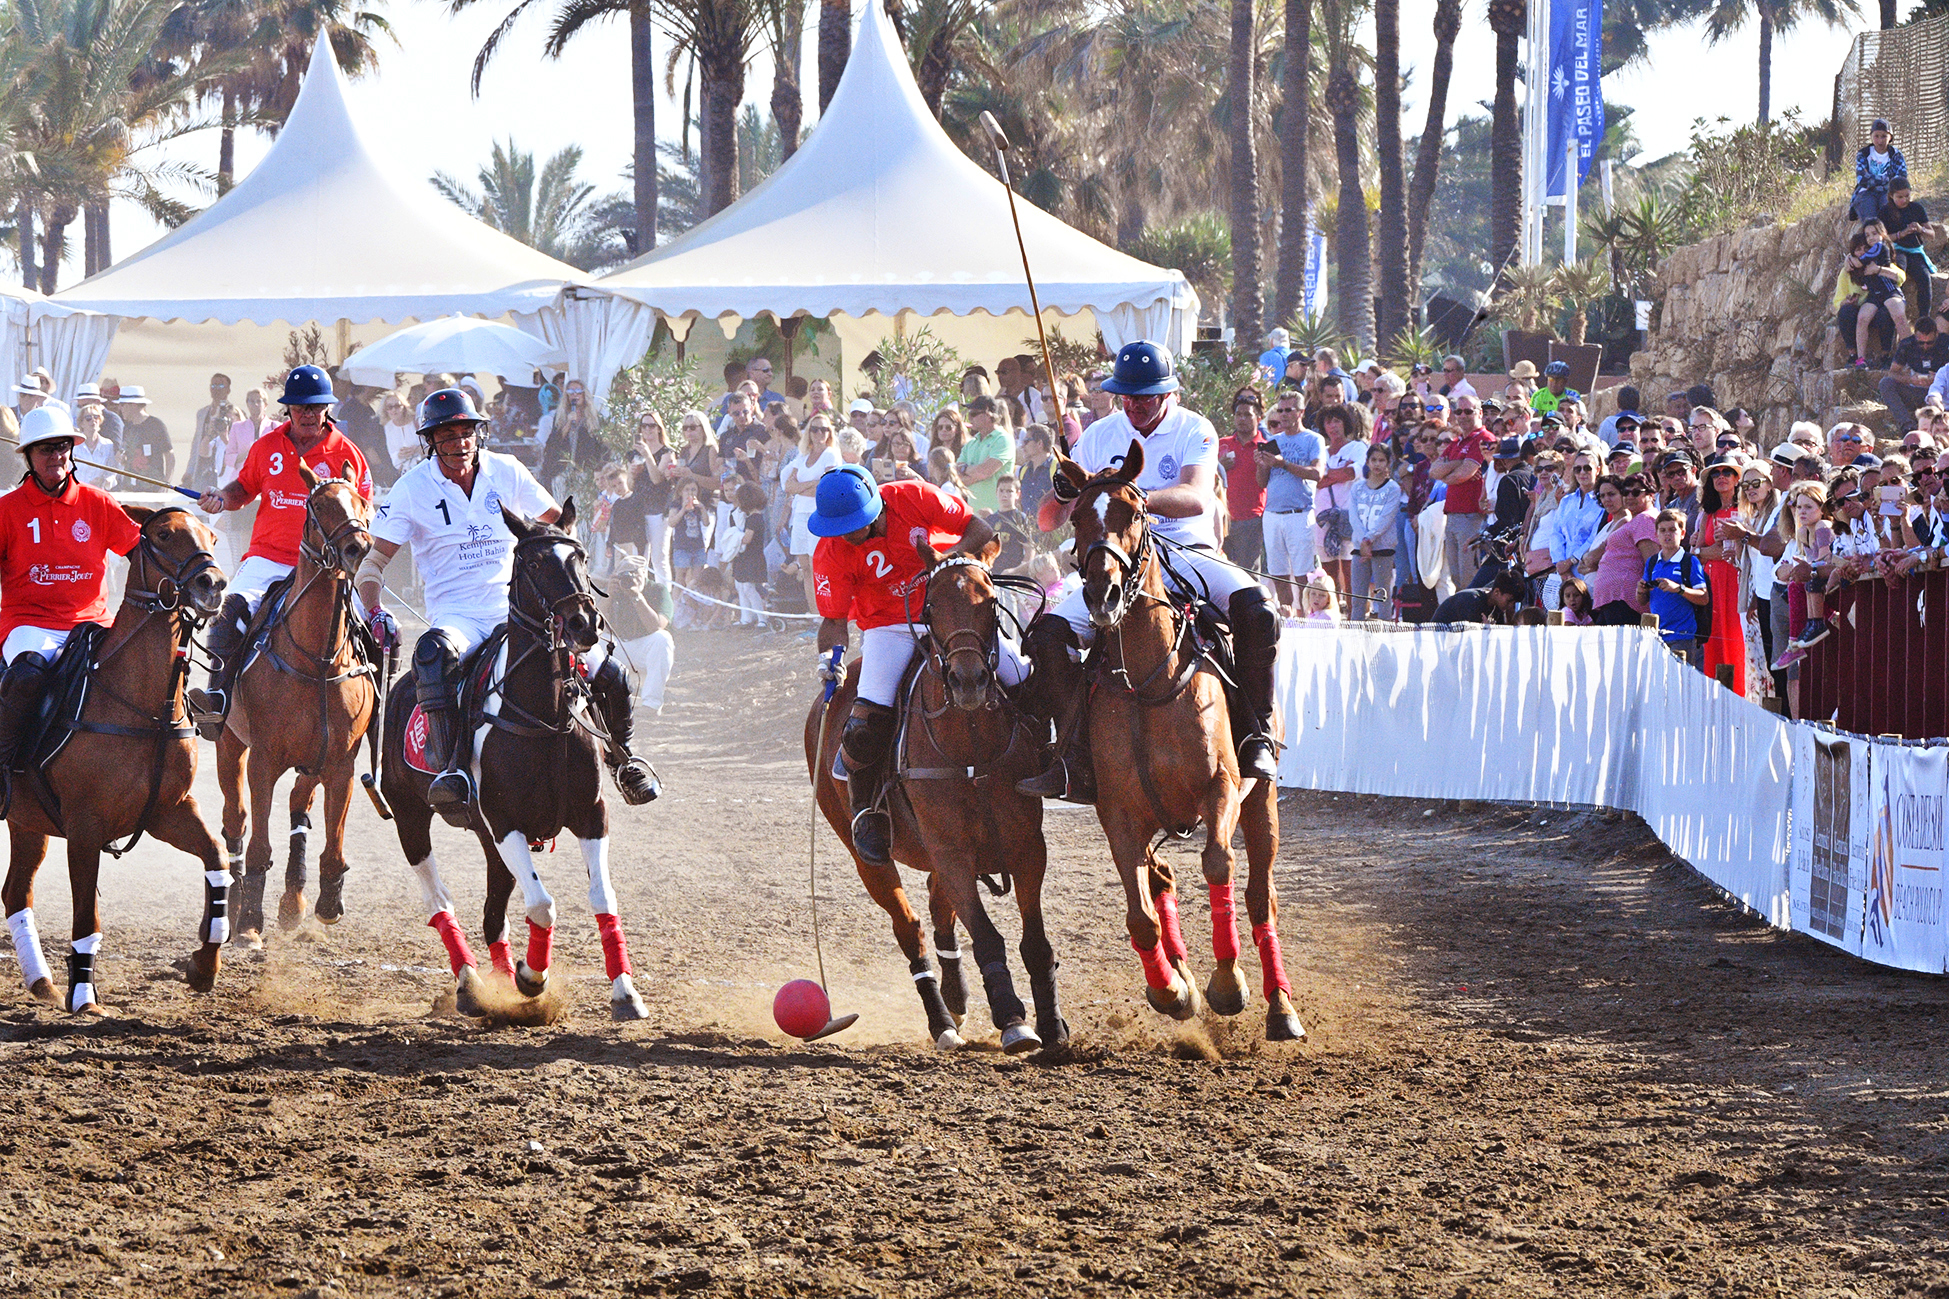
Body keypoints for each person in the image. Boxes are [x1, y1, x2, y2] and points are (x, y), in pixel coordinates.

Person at [357, 388, 656, 808]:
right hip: (459, 615)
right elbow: (371, 564)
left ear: (478, 434)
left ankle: (624, 761)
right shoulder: (411, 489)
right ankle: (454, 771)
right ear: (430, 441)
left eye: (467, 432)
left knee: (612, 673)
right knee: (432, 657)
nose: (460, 443)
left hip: (522, 611)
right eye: (447, 436)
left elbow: (558, 526)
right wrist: (374, 611)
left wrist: (564, 580)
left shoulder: (507, 470)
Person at [1018, 341, 1282, 800]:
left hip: (1187, 552)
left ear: (1167, 394)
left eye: (1146, 397)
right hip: (1116, 561)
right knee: (1046, 637)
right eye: (1128, 397)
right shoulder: (1097, 435)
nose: (1135, 406)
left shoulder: (1194, 427)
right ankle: (1072, 754)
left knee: (1258, 610)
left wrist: (1131, 500)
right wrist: (1060, 493)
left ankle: (1256, 734)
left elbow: (1196, 496)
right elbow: (1047, 521)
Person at [810, 465, 1013, 864]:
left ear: (874, 508)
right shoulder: (831, 550)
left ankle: (1054, 761)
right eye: (838, 528)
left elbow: (981, 530)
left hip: (954, 611)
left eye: (853, 525)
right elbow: (833, 621)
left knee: (1019, 673)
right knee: (866, 721)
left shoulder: (915, 498)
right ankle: (867, 812)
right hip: (889, 628)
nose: (846, 535)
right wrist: (830, 659)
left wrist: (948, 561)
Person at [188, 364, 375, 730]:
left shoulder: (347, 453)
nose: (308, 414)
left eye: (315, 407)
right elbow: (244, 488)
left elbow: (364, 508)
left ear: (327, 408)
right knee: (231, 610)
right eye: (300, 407)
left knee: (367, 625)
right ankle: (217, 696)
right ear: (288, 408)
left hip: (326, 564)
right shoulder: (266, 446)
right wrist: (222, 497)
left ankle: (373, 711)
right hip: (268, 556)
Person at [0, 406, 144, 783]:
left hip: (92, 623)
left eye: (62, 446)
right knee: (27, 677)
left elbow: (140, 554)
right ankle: (4, 768)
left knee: (141, 670)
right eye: (45, 448)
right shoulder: (7, 510)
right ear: (28, 456)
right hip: (31, 624)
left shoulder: (98, 503)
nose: (56, 456)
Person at [1256, 400, 1325, 615]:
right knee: (1278, 574)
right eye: (1280, 410)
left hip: (1299, 513)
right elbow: (1262, 482)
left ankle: (1307, 618)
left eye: (1288, 410)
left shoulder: (1313, 439)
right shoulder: (1273, 440)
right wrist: (1262, 464)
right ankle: (1288, 618)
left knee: (1304, 575)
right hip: (1273, 513)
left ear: (1301, 412)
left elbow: (1317, 473)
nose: (1283, 415)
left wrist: (1283, 463)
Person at [1695, 455, 1747, 694]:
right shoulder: (1708, 513)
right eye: (1716, 474)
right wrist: (1709, 550)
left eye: (1727, 472)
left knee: (1736, 639)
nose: (1721, 477)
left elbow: (1739, 549)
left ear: (1737, 479)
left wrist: (1709, 551)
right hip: (1712, 583)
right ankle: (1713, 695)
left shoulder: (1745, 510)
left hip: (1737, 581)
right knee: (1714, 639)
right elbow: (1696, 552)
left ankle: (1739, 695)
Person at [1430, 395, 1492, 594]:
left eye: (1468, 411)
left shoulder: (1484, 439)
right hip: (1453, 516)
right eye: (1458, 411)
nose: (1463, 415)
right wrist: (1458, 463)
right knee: (1456, 578)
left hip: (1472, 516)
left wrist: (1450, 471)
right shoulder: (1456, 442)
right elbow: (1434, 471)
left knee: (1470, 578)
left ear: (1479, 413)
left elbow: (1462, 475)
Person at [1314, 403, 1370, 613]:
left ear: (1346, 423)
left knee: (1350, 570)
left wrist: (1327, 474)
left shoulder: (1358, 447)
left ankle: (1356, 615)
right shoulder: (1320, 451)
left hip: (1349, 517)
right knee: (1328, 572)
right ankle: (1332, 614)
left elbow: (1351, 473)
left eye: (1337, 420)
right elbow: (1315, 479)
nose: (1333, 426)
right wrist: (1337, 474)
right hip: (1322, 518)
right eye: (1328, 422)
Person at [1637, 509, 1710, 669]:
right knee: (1656, 680)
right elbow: (1642, 601)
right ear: (1656, 535)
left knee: (1680, 681)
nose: (1667, 535)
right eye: (1662, 530)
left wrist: (1678, 589)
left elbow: (1704, 597)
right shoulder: (1652, 562)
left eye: (1672, 530)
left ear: (1682, 534)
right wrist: (1641, 591)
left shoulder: (1689, 561)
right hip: (1655, 635)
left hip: (1682, 635)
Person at [605, 556, 676, 714]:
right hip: (619, 646)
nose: (628, 580)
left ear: (644, 573)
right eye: (624, 576)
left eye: (633, 574)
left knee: (663, 638)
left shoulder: (658, 590)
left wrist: (636, 596)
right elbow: (597, 624)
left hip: (646, 648)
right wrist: (608, 596)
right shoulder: (615, 590)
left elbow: (657, 626)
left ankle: (651, 704)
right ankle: (601, 701)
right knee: (594, 643)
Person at [1585, 473, 1659, 624]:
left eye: (1636, 492)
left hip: (1625, 599)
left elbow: (1652, 562)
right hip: (1615, 598)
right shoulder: (1635, 519)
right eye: (1626, 492)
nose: (1629, 496)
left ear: (1651, 495)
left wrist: (1646, 593)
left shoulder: (1645, 519)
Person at [1349, 442, 1403, 619]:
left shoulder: (1392, 488)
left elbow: (1386, 517)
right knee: (1358, 597)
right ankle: (1355, 630)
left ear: (1388, 462)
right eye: (1373, 460)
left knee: (1382, 594)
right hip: (1360, 548)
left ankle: (1384, 630)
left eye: (1381, 460)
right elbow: (1353, 516)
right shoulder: (1357, 487)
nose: (1377, 464)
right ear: (1367, 461)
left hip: (1382, 548)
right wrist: (1363, 541)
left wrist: (1369, 539)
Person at [1847, 218, 1909, 367]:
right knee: (1862, 318)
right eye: (1867, 235)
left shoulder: (1879, 247)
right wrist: (1848, 259)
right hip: (1875, 294)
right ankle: (1861, 360)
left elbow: (1858, 263)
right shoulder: (1870, 250)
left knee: (1899, 317)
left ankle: (1911, 355)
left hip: (1889, 290)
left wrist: (1849, 258)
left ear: (1882, 233)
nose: (1871, 238)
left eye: (1874, 233)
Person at [1218, 393, 1267, 570]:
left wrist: (1262, 464)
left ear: (1258, 418)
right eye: (1238, 414)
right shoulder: (1222, 444)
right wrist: (1219, 466)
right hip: (1223, 518)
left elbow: (1264, 483)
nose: (1242, 419)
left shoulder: (1265, 446)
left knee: (1249, 572)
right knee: (1220, 569)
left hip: (1250, 519)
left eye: (1247, 415)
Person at [1880, 315, 1949, 431]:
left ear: (1937, 334)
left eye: (1930, 343)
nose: (1925, 346)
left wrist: (1939, 379)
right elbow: (1892, 373)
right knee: (1885, 383)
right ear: (1915, 335)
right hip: (1916, 391)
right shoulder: (1907, 345)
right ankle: (1907, 426)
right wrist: (1910, 379)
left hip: (1942, 394)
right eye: (1921, 343)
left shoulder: (1945, 343)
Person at [1882, 179, 1938, 319]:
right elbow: (1882, 238)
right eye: (1900, 197)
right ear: (1891, 196)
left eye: (1907, 196)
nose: (1904, 200)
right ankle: (1895, 313)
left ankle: (1924, 318)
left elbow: (1932, 235)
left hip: (1914, 250)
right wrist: (1901, 234)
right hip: (1896, 249)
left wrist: (1920, 229)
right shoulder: (1885, 212)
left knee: (1924, 277)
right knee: (1899, 271)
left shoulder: (1916, 208)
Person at [955, 396, 1015, 512]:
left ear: (988, 414)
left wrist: (965, 469)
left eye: (973, 414)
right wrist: (975, 472)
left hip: (998, 513)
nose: (969, 418)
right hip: (974, 513)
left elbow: (984, 471)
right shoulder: (971, 444)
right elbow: (957, 477)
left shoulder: (1003, 440)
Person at [187, 373, 240, 490]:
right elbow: (196, 443)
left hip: (226, 468)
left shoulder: (235, 413)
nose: (216, 389)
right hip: (204, 466)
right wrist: (190, 471)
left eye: (221, 386)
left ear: (228, 390)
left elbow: (240, 444)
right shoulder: (202, 413)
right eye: (213, 386)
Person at [1851, 118, 1907, 223]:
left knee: (1889, 215)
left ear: (1890, 137)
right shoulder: (1864, 154)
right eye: (1876, 136)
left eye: (1884, 136)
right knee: (1870, 219)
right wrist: (1887, 179)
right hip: (1866, 192)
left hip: (1888, 192)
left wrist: (1874, 180)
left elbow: (1901, 179)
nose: (1880, 141)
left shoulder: (1896, 155)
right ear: (1871, 136)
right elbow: (1862, 179)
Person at [116, 386, 172, 483]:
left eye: (122, 404)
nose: (119, 408)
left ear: (133, 405)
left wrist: (166, 482)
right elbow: (127, 455)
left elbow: (169, 455)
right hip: (129, 487)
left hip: (152, 487)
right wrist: (121, 457)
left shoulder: (156, 425)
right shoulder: (127, 427)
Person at [1432, 571, 1528, 624]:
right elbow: (1473, 638)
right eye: (1509, 600)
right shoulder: (1473, 602)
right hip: (1440, 636)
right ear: (1496, 592)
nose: (1511, 606)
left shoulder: (1496, 607)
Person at [985, 475, 1035, 576]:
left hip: (1013, 572)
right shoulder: (991, 519)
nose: (1004, 495)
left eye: (1009, 491)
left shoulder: (1020, 518)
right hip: (992, 571)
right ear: (996, 492)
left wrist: (1021, 570)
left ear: (1017, 494)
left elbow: (1029, 548)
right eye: (1001, 491)